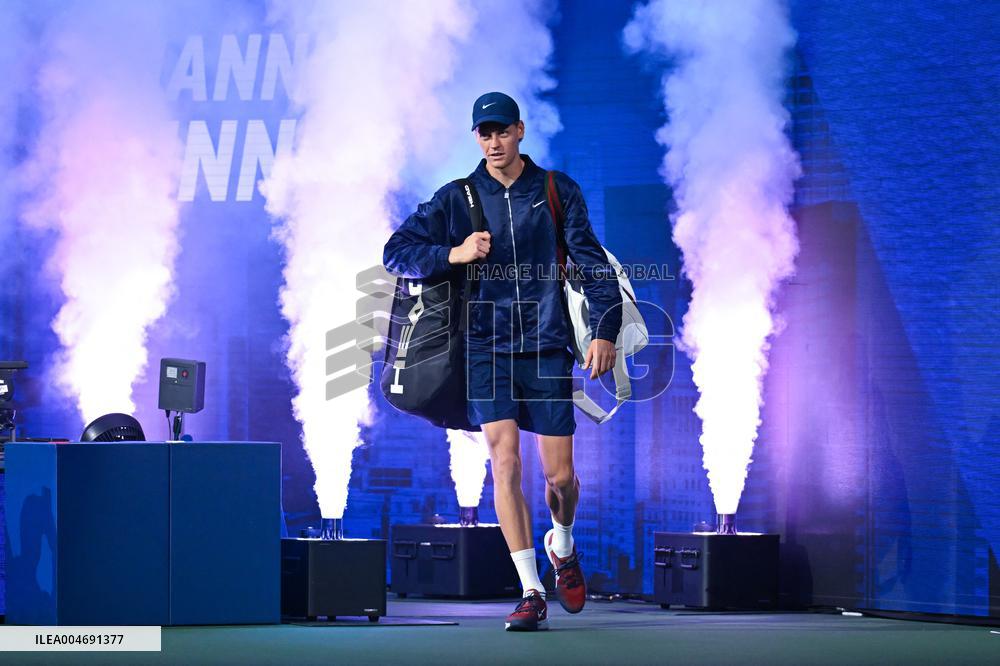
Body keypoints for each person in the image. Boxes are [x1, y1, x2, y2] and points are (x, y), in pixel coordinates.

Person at [383, 92, 622, 631]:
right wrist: (453, 253)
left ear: (519, 130)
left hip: (546, 348)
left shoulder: (557, 190)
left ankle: (561, 543)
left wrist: (605, 330)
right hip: (485, 350)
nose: (493, 142)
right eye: (483, 133)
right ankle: (531, 589)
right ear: (476, 138)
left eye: (501, 131)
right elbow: (396, 251)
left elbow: (590, 262)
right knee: (506, 463)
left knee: (560, 479)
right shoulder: (457, 197)